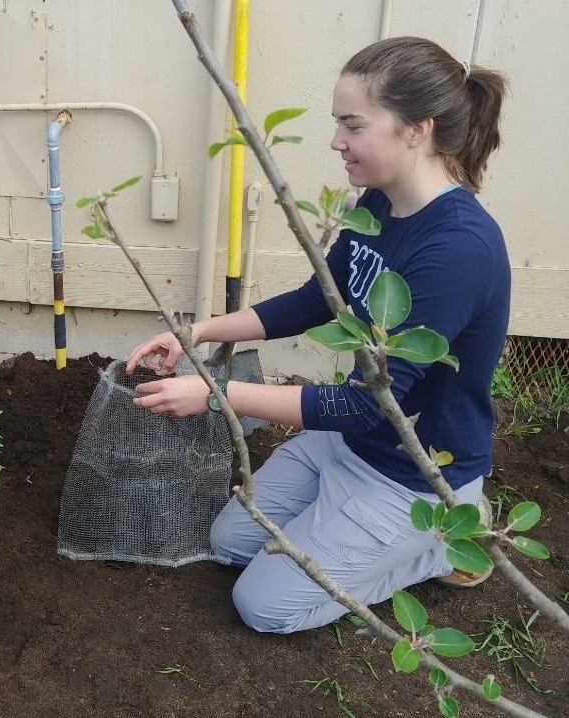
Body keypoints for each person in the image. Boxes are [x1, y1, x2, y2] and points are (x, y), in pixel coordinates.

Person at [127, 37, 509, 634]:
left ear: (417, 130)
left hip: (413, 474)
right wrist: (195, 333)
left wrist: (215, 394)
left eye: (353, 125)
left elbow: (367, 404)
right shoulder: (377, 204)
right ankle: (353, 529)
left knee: (264, 605)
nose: (336, 141)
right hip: (349, 443)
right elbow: (316, 300)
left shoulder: (457, 250)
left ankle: (449, 537)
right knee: (230, 544)